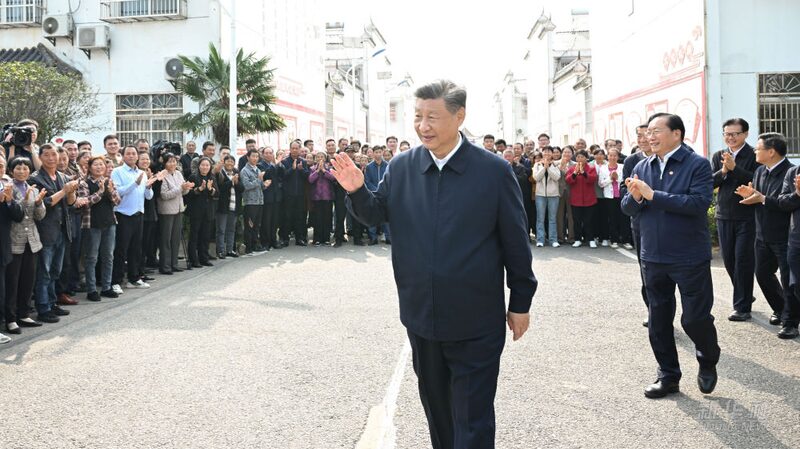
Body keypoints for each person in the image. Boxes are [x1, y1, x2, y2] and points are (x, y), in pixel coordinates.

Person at [333, 80, 537, 449]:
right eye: (418, 117)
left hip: (476, 319)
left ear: (459, 116)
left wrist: (520, 301)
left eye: (432, 117)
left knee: (472, 418)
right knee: (438, 413)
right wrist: (356, 190)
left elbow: (515, 242)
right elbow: (374, 214)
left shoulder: (492, 172)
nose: (423, 126)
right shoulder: (403, 167)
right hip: (422, 316)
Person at [622, 112, 720, 399]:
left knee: (694, 319)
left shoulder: (697, 164)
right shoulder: (642, 165)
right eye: (647, 132)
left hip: (688, 255)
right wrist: (636, 197)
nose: (649, 136)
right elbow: (628, 207)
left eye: (656, 131)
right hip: (653, 255)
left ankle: (707, 358)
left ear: (677, 134)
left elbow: (699, 203)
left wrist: (653, 196)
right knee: (659, 319)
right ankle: (668, 375)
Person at [736, 132, 799, 339]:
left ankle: (790, 322)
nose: (755, 151)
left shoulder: (791, 172)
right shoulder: (760, 171)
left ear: (771, 151)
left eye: (758, 148)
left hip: (785, 235)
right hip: (762, 233)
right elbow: (761, 198)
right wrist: (752, 196)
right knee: (762, 274)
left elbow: (786, 202)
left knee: (789, 281)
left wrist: (762, 198)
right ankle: (782, 309)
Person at [711, 118, 758, 321]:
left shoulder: (754, 155)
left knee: (743, 261)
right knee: (729, 260)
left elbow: (755, 179)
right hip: (724, 214)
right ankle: (745, 293)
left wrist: (734, 168)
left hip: (746, 215)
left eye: (735, 134)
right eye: (727, 134)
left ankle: (742, 306)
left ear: (745, 134)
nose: (730, 138)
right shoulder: (718, 156)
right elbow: (710, 181)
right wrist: (723, 170)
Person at [29, 144, 79, 323]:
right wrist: (65, 191)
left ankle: (52, 302)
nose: (51, 158)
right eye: (47, 155)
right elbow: (47, 202)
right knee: (45, 271)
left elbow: (71, 203)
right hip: (46, 230)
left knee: (56, 271)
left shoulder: (63, 176)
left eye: (54, 155)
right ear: (40, 158)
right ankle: (43, 307)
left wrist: (71, 192)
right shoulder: (35, 178)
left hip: (63, 230)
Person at [4, 157, 45, 335]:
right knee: (13, 281)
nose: (22, 171)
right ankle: (11, 318)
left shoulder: (32, 188)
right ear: (11, 171)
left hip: (32, 240)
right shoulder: (8, 188)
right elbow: (16, 215)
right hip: (14, 240)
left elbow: (40, 215)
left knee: (28, 279)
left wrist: (38, 202)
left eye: (25, 168)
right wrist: (25, 200)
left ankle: (24, 313)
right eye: (18, 168)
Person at [111, 145, 156, 293]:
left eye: (134, 154)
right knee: (121, 250)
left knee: (136, 249)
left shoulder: (142, 173)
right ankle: (116, 281)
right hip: (123, 214)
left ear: (137, 156)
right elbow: (118, 192)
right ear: (123, 156)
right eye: (128, 154)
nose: (131, 156)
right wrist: (134, 183)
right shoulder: (117, 172)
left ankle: (134, 278)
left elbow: (148, 196)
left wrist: (148, 186)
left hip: (138, 214)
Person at [623, 125, 655, 326]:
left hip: (666, 223)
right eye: (639, 135)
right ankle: (653, 310)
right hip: (640, 223)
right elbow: (626, 196)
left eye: (647, 134)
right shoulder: (631, 161)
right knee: (646, 270)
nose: (642, 139)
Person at [77, 156, 121, 301]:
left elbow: (117, 201)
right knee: (92, 258)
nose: (99, 167)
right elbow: (86, 203)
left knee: (108, 256)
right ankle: (91, 290)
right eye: (95, 165)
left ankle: (106, 287)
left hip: (109, 223)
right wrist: (100, 191)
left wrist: (109, 190)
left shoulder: (109, 181)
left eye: (101, 165)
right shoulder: (84, 183)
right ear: (89, 167)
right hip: (92, 225)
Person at [157, 153, 193, 274]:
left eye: (174, 161)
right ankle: (165, 266)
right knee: (165, 239)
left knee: (175, 238)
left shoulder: (178, 173)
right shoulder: (162, 175)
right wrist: (181, 188)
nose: (172, 164)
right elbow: (164, 195)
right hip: (166, 211)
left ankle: (174, 263)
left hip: (179, 209)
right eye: (169, 161)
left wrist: (187, 187)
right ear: (164, 163)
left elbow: (184, 193)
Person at [186, 157, 218, 267]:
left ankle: (204, 258)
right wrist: (199, 189)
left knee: (205, 236)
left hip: (208, 211)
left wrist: (210, 189)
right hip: (196, 211)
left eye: (207, 165)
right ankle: (193, 259)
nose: (205, 167)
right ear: (199, 166)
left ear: (210, 167)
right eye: (203, 165)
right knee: (194, 236)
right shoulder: (193, 177)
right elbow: (188, 194)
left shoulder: (212, 177)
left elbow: (217, 193)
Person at [566, 150, 598, 248]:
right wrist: (575, 173)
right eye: (578, 157)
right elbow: (568, 180)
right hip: (576, 199)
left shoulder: (591, 168)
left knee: (589, 220)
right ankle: (577, 239)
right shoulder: (572, 169)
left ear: (586, 158)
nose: (580, 159)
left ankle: (591, 239)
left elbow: (592, 179)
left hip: (589, 199)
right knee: (577, 221)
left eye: (582, 157)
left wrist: (584, 173)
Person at [280, 141, 310, 246]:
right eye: (292, 148)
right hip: (288, 194)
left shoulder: (303, 161)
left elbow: (308, 177)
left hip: (300, 194)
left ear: (299, 149)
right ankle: (285, 239)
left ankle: (300, 238)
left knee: (300, 217)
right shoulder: (284, 162)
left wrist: (301, 170)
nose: (294, 150)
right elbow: (282, 177)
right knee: (287, 216)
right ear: (290, 149)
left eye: (296, 148)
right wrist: (292, 169)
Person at [532, 146, 561, 247]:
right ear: (542, 153)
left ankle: (553, 240)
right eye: (545, 152)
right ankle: (540, 239)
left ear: (552, 154)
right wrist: (544, 167)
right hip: (540, 195)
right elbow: (536, 177)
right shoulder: (537, 164)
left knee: (552, 218)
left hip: (553, 195)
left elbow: (557, 177)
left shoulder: (555, 164)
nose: (547, 154)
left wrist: (548, 167)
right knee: (540, 218)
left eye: (549, 152)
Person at [240, 149, 267, 254]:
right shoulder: (244, 171)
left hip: (259, 201)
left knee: (257, 225)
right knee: (249, 225)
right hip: (250, 202)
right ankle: (249, 246)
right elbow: (246, 186)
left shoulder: (258, 170)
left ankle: (256, 244)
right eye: (253, 156)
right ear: (248, 157)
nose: (255, 158)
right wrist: (259, 180)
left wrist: (264, 184)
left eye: (257, 156)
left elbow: (260, 186)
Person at [597, 148, 625, 248]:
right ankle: (614, 240)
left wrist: (617, 178)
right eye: (611, 155)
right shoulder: (603, 168)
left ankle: (626, 240)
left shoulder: (622, 167)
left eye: (615, 155)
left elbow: (625, 181)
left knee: (623, 218)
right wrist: (610, 178)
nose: (613, 157)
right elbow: (600, 184)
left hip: (621, 196)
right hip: (609, 197)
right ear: (607, 156)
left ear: (618, 157)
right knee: (612, 218)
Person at [364, 146, 391, 245]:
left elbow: (389, 179)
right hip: (373, 195)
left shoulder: (388, 165)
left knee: (386, 217)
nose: (378, 154)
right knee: (372, 216)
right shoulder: (369, 166)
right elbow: (367, 181)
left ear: (382, 153)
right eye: (376, 152)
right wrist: (376, 190)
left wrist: (383, 190)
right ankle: (373, 238)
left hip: (385, 195)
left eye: (380, 152)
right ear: (373, 153)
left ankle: (388, 237)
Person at [308, 152, 336, 246]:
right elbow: (310, 180)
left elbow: (333, 178)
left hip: (327, 197)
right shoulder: (312, 168)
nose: (320, 158)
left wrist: (324, 171)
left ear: (325, 158)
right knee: (317, 219)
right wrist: (317, 171)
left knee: (327, 218)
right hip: (316, 197)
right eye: (318, 157)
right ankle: (317, 239)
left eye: (322, 157)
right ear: (315, 159)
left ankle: (326, 239)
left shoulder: (329, 168)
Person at [216, 155, 241, 259]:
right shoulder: (220, 174)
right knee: (221, 230)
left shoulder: (237, 173)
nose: (230, 163)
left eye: (232, 161)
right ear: (224, 162)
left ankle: (230, 250)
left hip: (234, 206)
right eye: (228, 161)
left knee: (231, 229)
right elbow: (220, 188)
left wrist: (236, 182)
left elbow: (242, 188)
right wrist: (231, 182)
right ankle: (221, 250)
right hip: (223, 206)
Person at [556, 146, 576, 244]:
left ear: (572, 154)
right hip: (559, 192)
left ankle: (571, 237)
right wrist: (560, 167)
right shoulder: (555, 163)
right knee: (559, 216)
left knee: (571, 216)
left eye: (569, 152)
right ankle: (560, 237)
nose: (566, 154)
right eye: (565, 152)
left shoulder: (575, 164)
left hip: (571, 192)